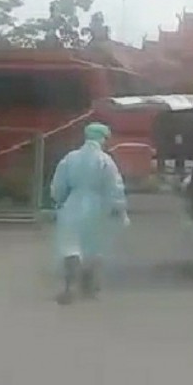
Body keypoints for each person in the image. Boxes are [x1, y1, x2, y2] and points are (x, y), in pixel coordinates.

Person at [51, 122, 128, 305]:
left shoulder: (70, 158)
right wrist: (119, 208)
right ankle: (89, 287)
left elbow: (59, 185)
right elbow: (114, 187)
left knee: (70, 246)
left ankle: (69, 288)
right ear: (102, 138)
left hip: (73, 204)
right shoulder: (105, 161)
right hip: (96, 207)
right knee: (93, 247)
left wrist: (60, 200)